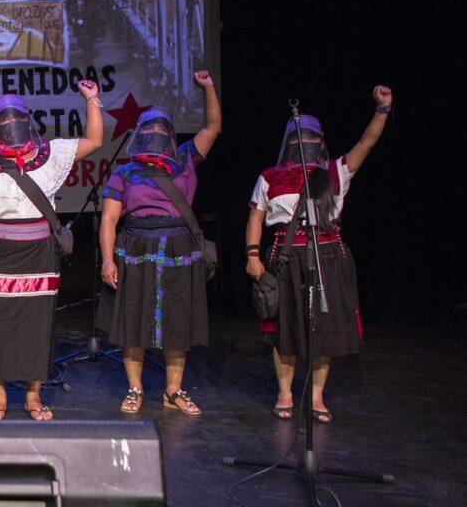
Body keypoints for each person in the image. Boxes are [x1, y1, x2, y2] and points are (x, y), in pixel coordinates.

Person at [0, 80, 104, 421]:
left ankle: (34, 396)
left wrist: (92, 98)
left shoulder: (50, 156)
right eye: (4, 121)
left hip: (39, 252)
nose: (11, 125)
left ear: (28, 120)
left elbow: (95, 140)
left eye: (16, 118)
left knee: (38, 323)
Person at [245, 85, 393, 423]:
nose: (305, 142)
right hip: (286, 259)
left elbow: (366, 143)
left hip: (328, 257)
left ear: (321, 141)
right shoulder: (269, 177)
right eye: (299, 138)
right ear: (288, 141)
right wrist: (252, 254)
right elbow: (255, 217)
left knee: (323, 329)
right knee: (284, 330)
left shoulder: (335, 172)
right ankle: (285, 393)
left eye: (311, 137)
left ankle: (315, 396)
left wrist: (381, 110)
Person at [98, 71, 221, 416]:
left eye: (161, 129)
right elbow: (109, 220)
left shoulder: (185, 159)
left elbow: (212, 128)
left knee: (176, 321)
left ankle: (173, 389)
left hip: (179, 249)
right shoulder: (125, 172)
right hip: (136, 248)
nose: (155, 133)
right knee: (134, 321)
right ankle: (135, 388)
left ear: (170, 134)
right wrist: (107, 260)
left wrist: (208, 88)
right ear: (139, 134)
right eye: (149, 128)